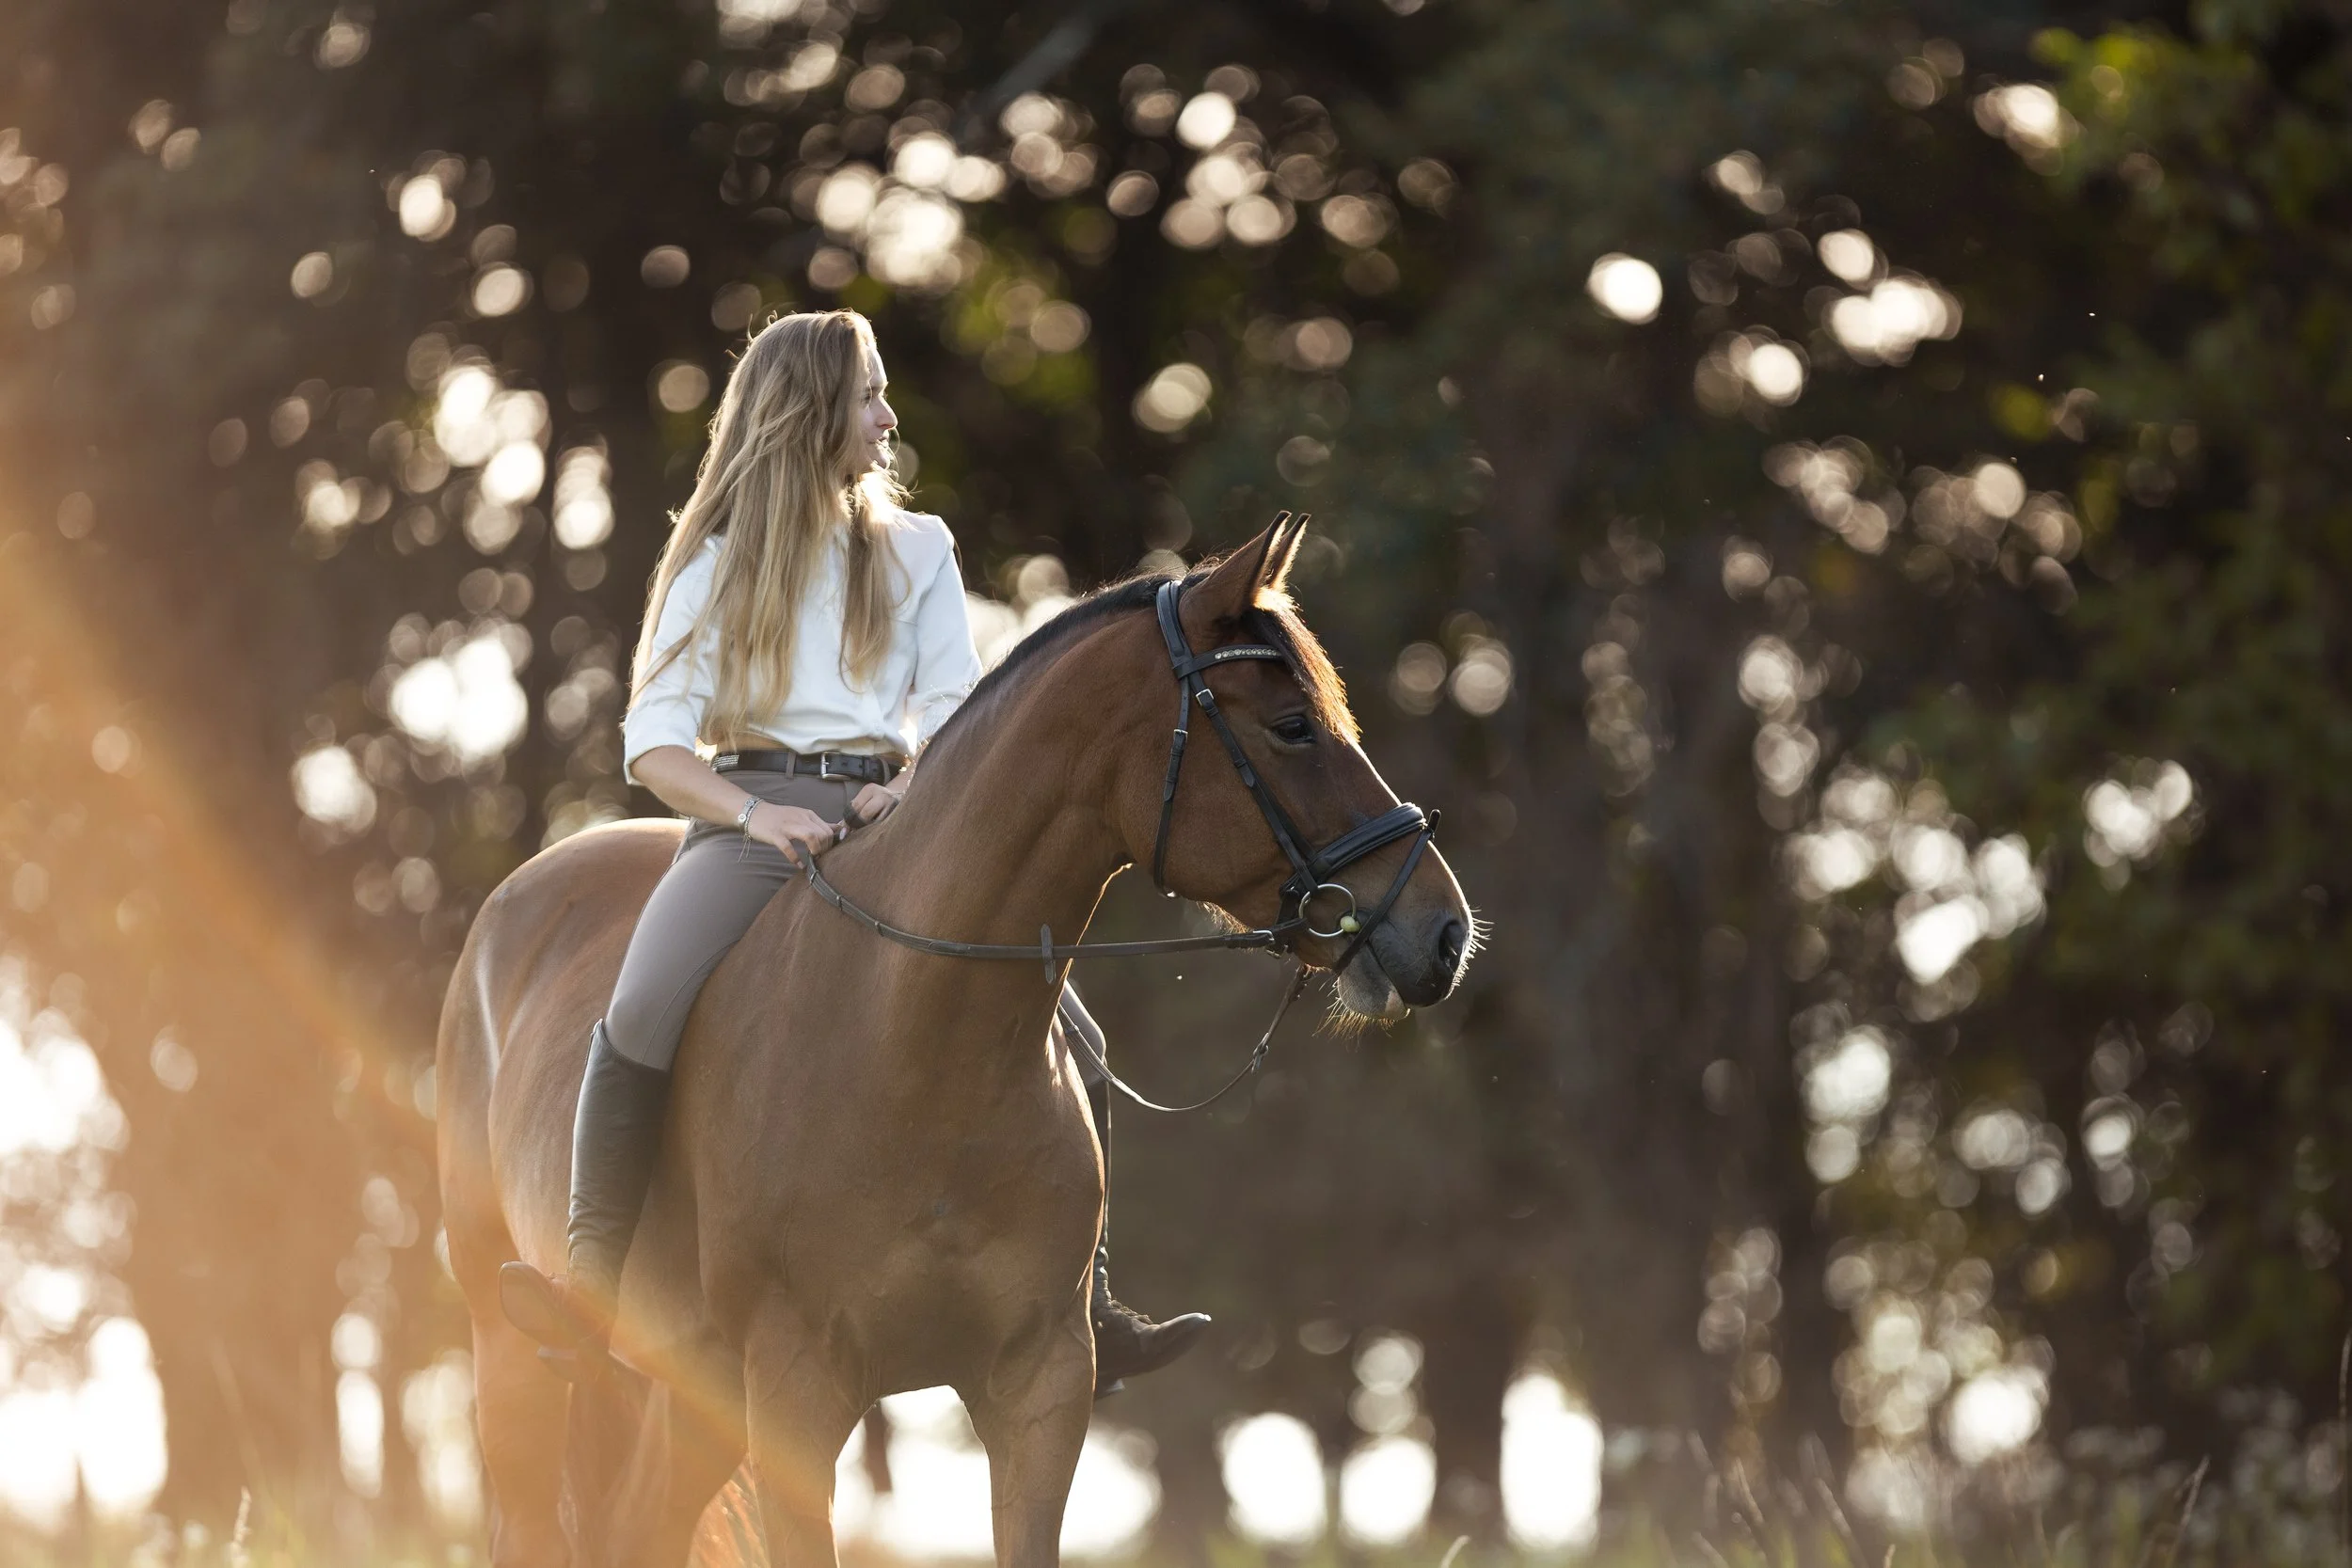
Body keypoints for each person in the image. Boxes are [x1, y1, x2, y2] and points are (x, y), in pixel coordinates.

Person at [504, 309, 1207, 1393]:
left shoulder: (919, 549)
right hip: (752, 815)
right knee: (639, 1007)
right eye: (869, 395)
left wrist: (911, 787)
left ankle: (1092, 1299)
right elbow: (655, 745)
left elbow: (957, 704)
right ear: (810, 410)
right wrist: (755, 816)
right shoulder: (714, 564)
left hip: (898, 808)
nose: (887, 417)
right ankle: (587, 1280)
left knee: (1078, 1027)